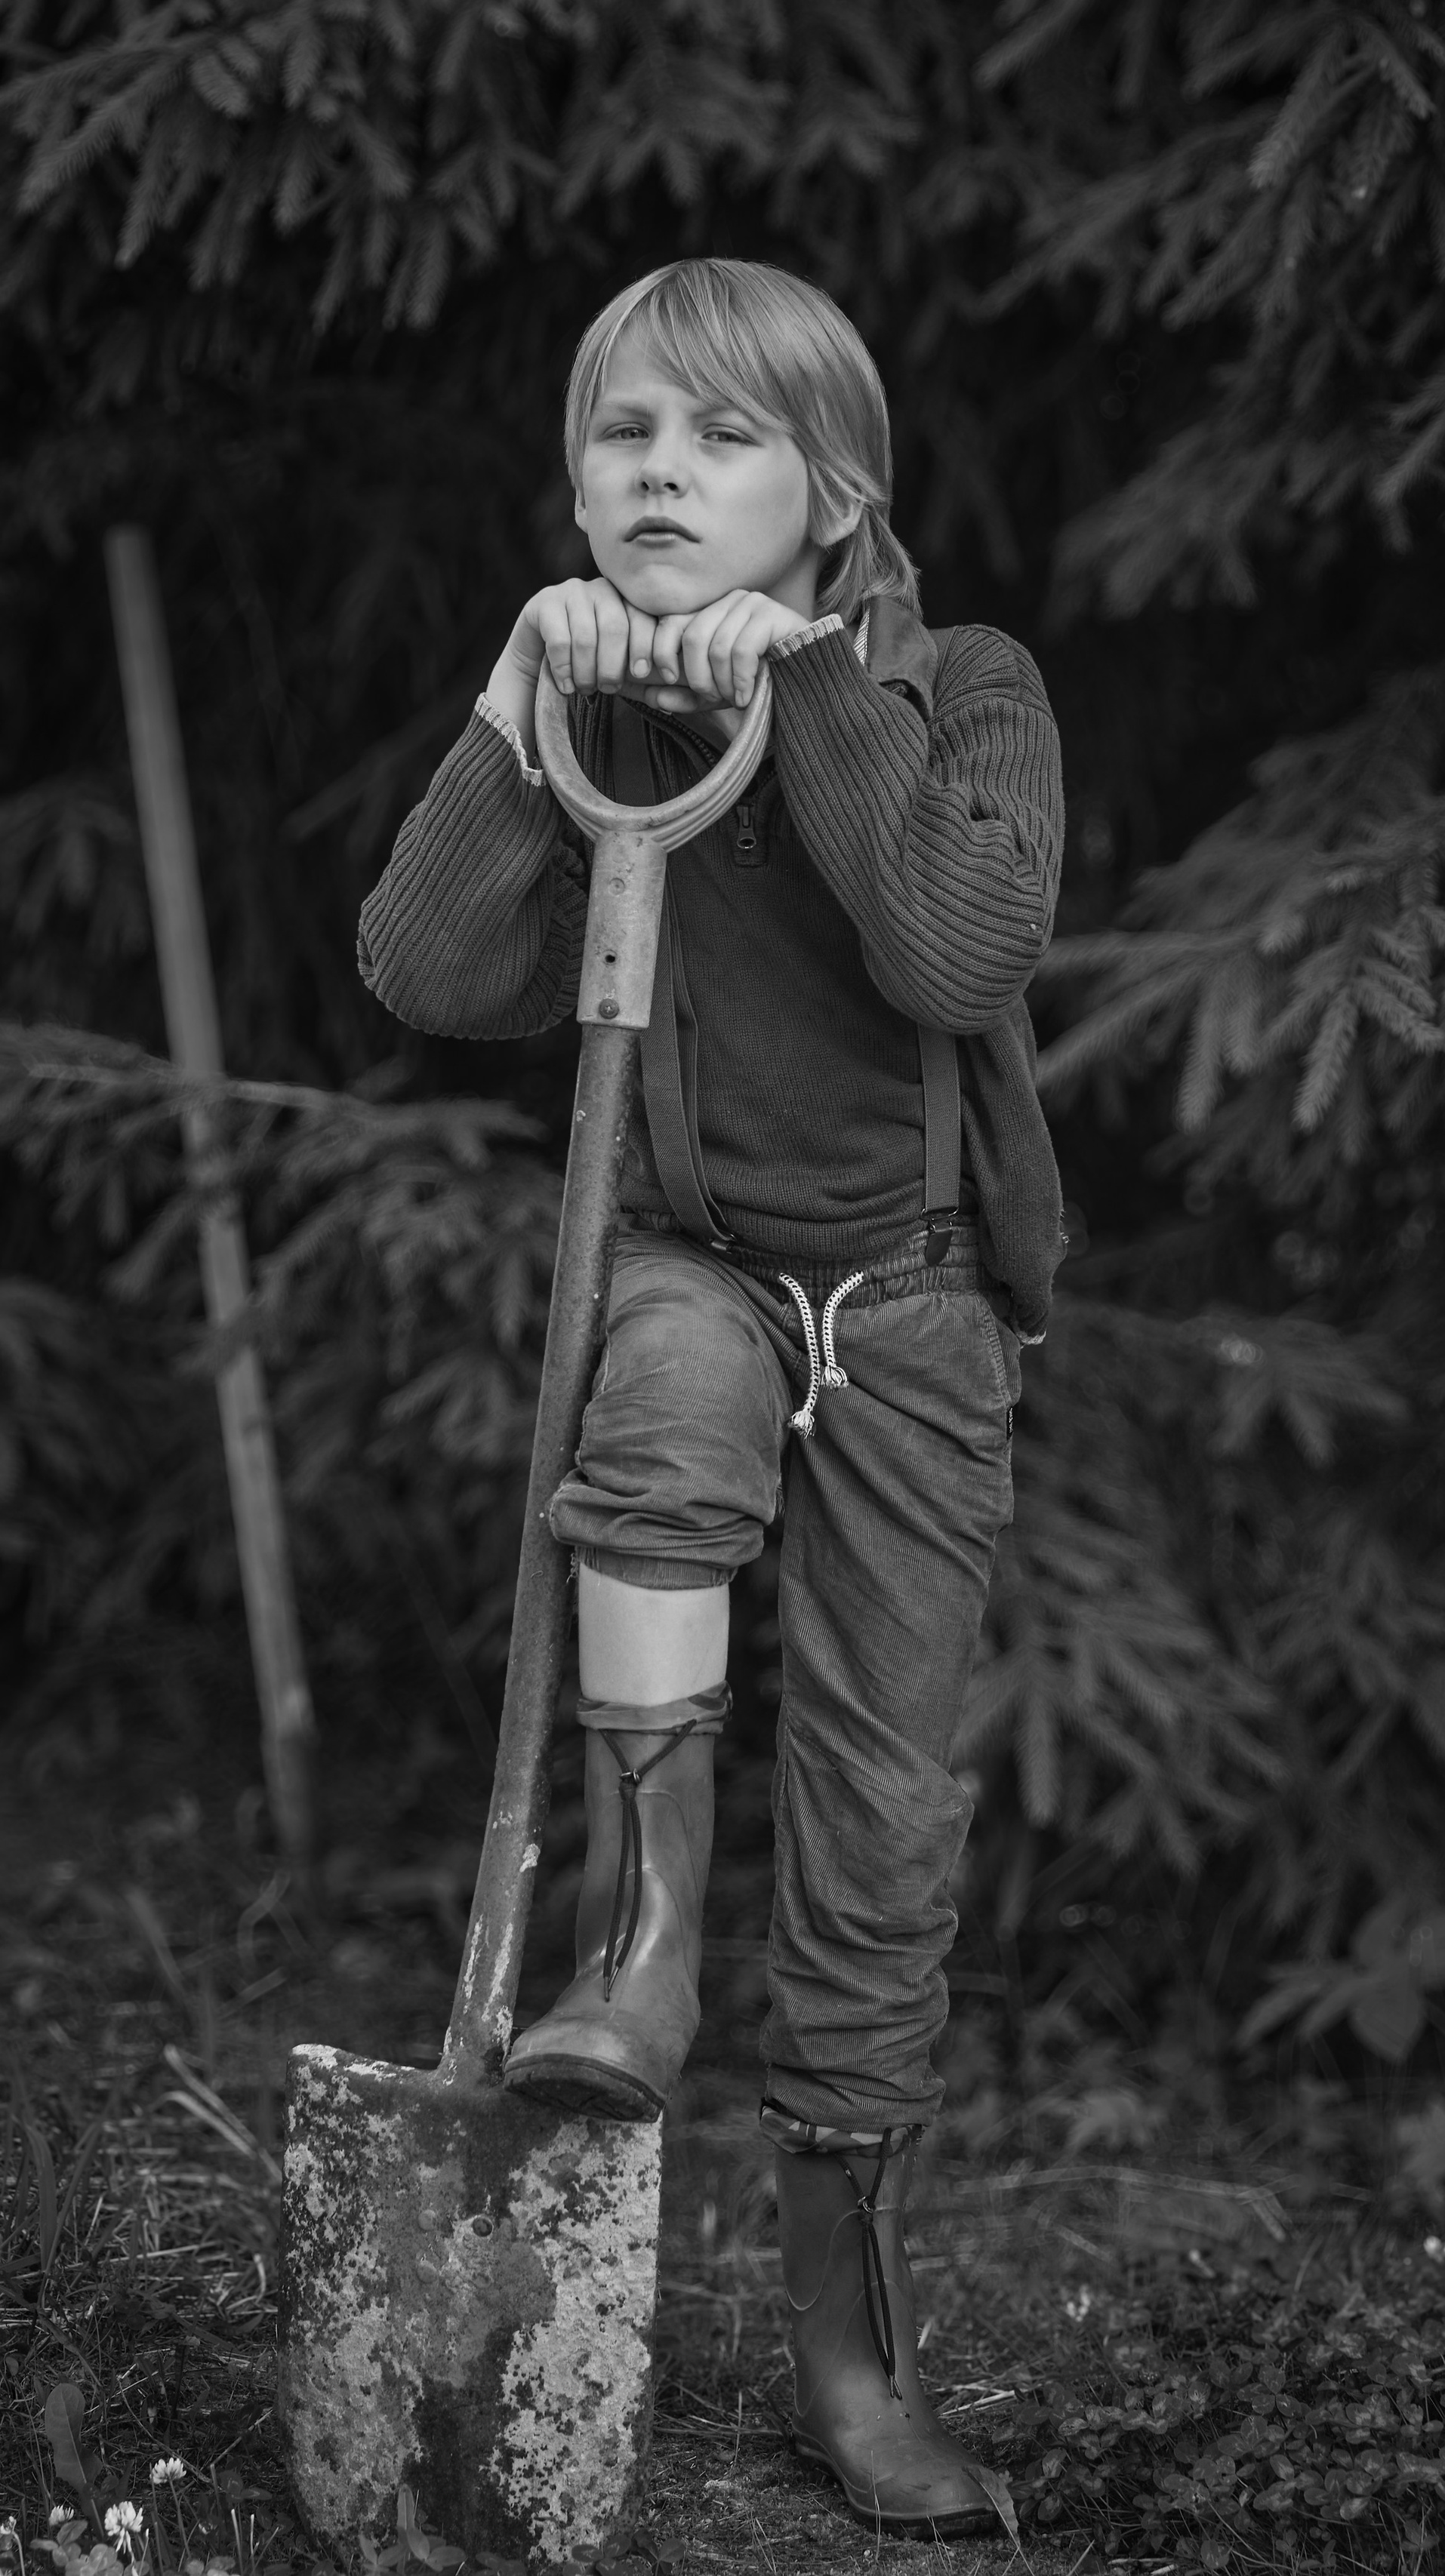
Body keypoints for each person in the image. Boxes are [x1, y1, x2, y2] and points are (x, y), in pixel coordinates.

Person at [357, 255, 1064, 2540]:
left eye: (722, 438)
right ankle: (640, 1953)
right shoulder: (602, 724)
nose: (661, 473)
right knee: (648, 1429)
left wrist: (821, 689)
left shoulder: (961, 688)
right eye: (624, 437)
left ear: (833, 497)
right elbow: (428, 968)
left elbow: (955, 949)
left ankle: (849, 2346)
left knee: (879, 1817)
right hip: (698, 1261)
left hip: (924, 1299)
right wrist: (508, 706)